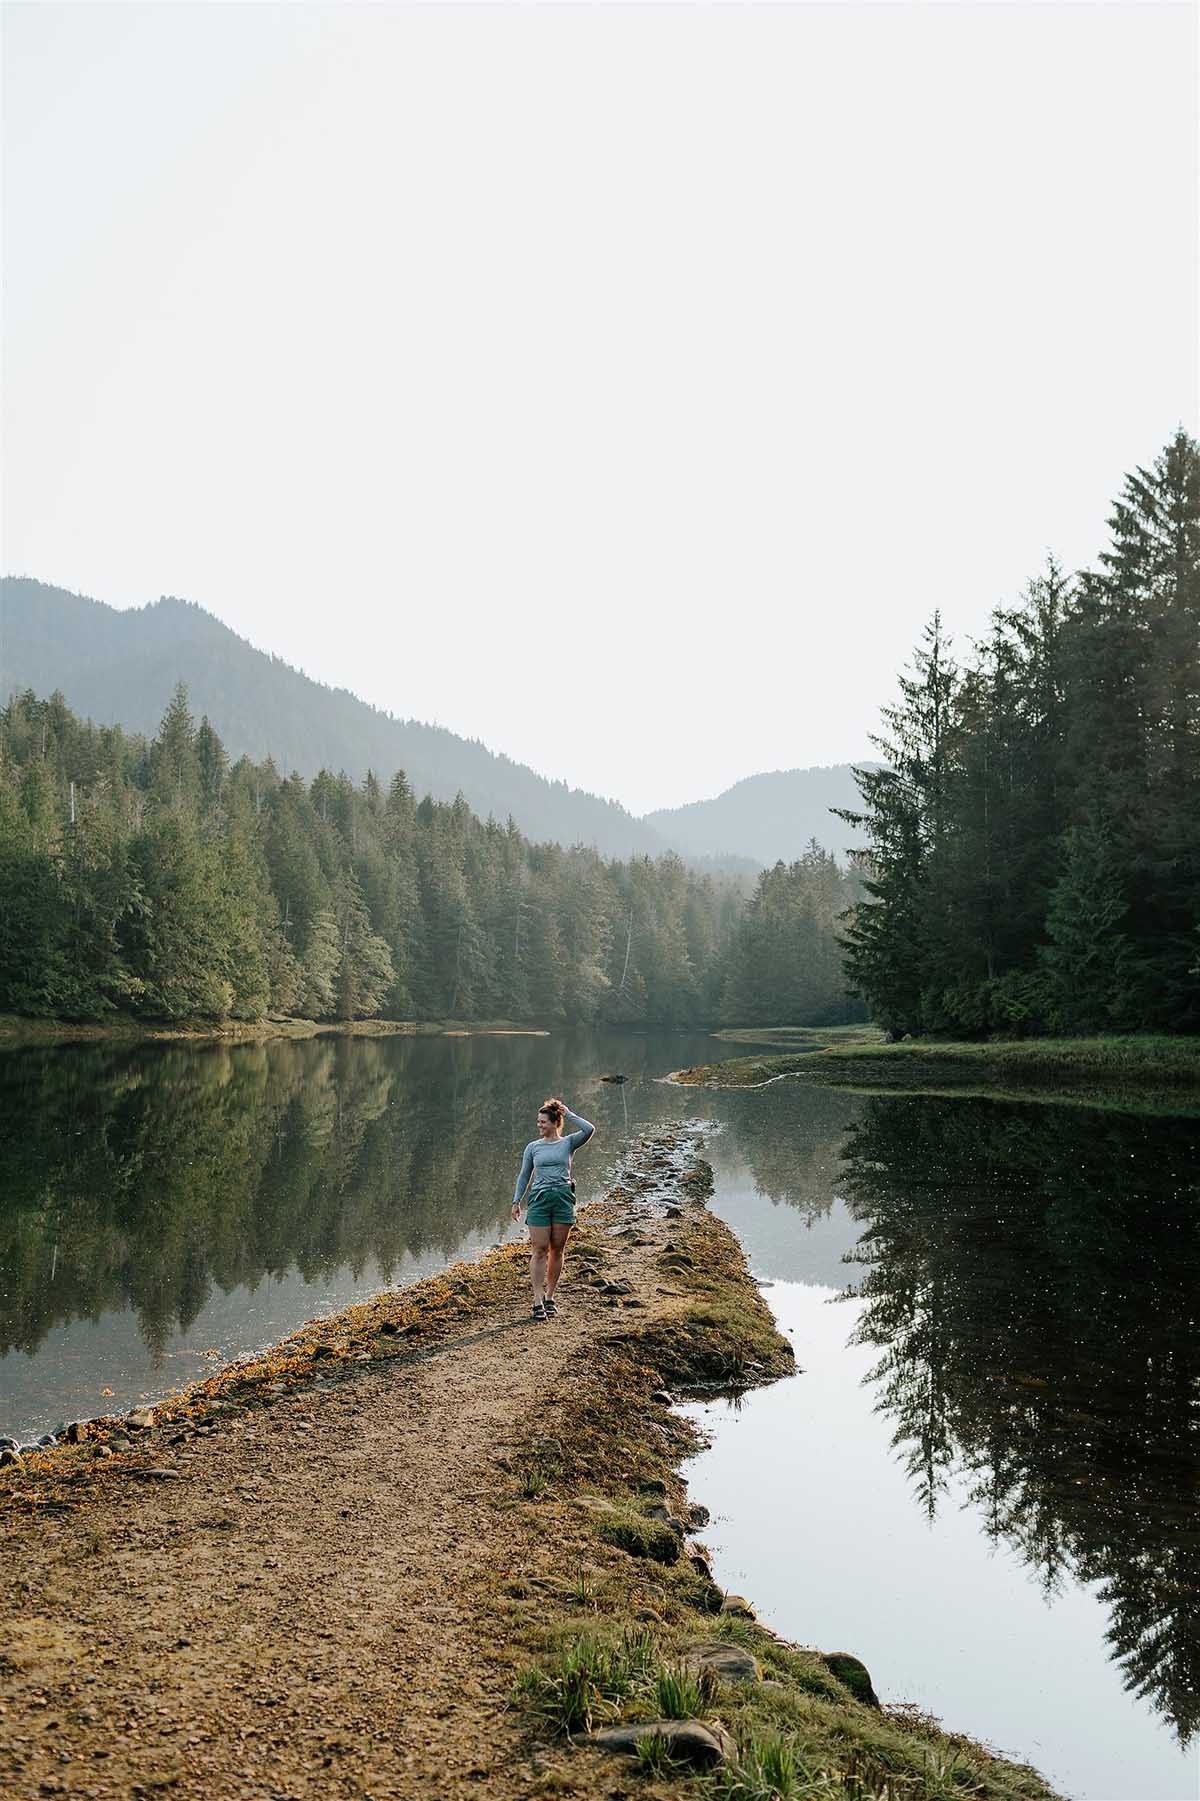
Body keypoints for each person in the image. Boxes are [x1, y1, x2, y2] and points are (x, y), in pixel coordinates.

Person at [511, 1097, 595, 1322]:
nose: (539, 1125)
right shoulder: (533, 1147)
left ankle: (550, 1297)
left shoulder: (568, 1143)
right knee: (539, 1250)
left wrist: (568, 1113)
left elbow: (589, 1129)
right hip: (539, 1200)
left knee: (557, 1249)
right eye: (538, 1122)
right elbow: (524, 1175)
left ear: (555, 1122)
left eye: (543, 1122)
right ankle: (537, 1299)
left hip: (563, 1199)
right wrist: (516, 1201)